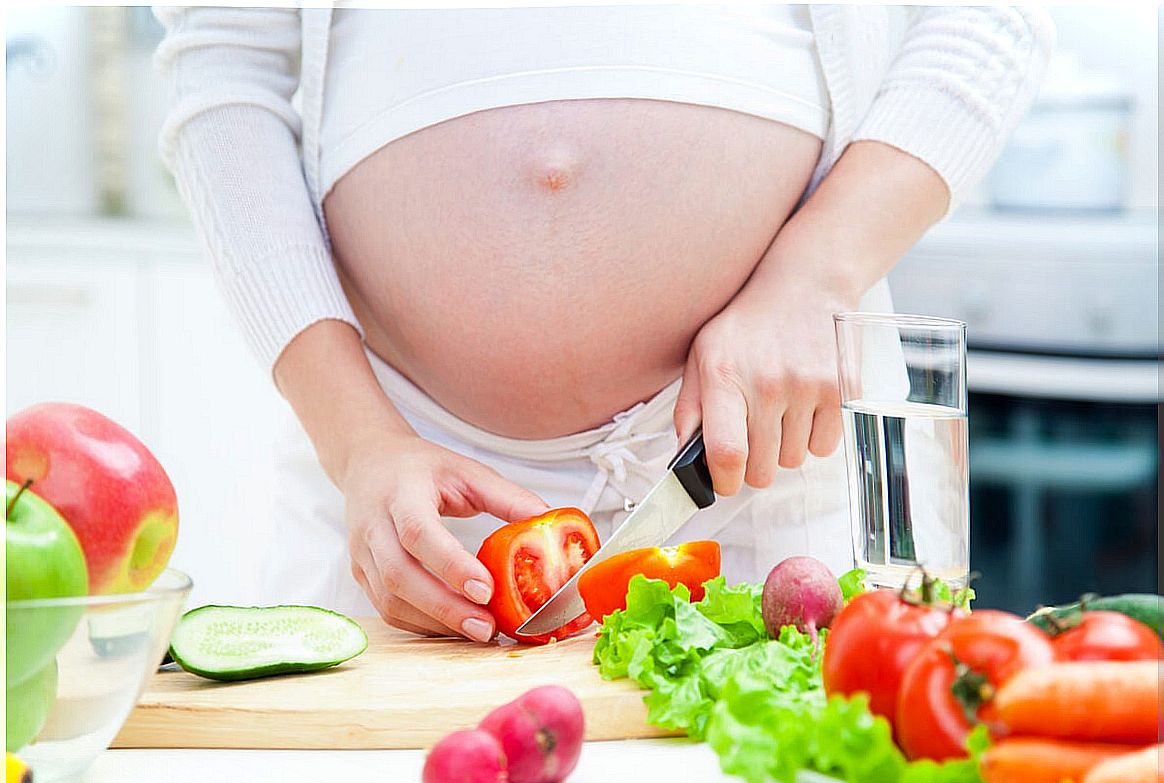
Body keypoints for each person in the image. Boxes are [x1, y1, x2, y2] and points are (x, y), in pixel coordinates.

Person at [154, 4, 1053, 642]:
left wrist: (814, 272)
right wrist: (359, 444)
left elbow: (993, 15)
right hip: (407, 473)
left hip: (766, 450)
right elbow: (222, 59)